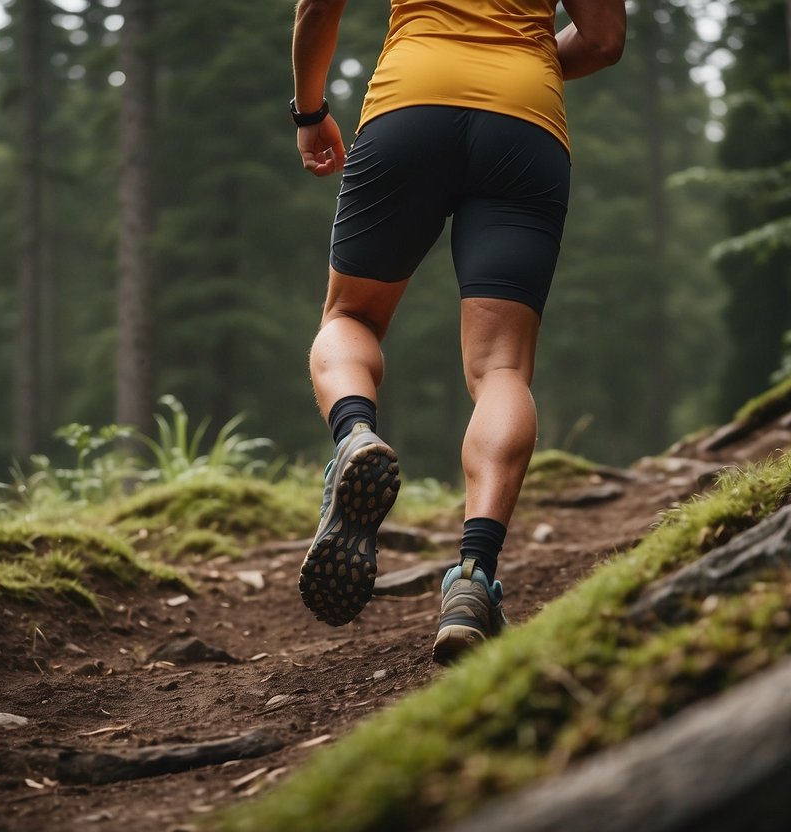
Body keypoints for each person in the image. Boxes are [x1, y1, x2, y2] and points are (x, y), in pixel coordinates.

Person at [291, 0, 626, 664]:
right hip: (524, 122)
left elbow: (318, 5)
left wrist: (308, 112)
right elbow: (603, 40)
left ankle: (355, 433)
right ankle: (473, 578)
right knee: (500, 368)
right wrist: (517, 61)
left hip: (409, 103)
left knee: (349, 317)